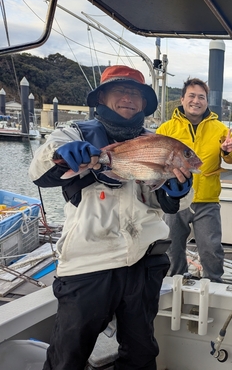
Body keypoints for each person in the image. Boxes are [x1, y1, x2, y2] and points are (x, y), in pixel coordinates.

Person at [29, 65, 193, 370]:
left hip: (144, 261)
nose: (129, 98)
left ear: (144, 104)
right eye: (121, 90)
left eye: (137, 94)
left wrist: (179, 190)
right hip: (89, 262)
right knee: (68, 357)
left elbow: (175, 205)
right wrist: (63, 152)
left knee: (141, 354)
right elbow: (40, 166)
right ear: (102, 97)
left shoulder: (155, 142)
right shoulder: (75, 132)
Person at [156, 77, 232, 283]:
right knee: (172, 248)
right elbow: (156, 158)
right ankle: (174, 288)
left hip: (207, 200)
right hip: (174, 200)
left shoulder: (220, 129)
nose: (196, 101)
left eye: (201, 97)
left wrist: (228, 151)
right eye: (191, 96)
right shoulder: (166, 129)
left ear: (207, 102)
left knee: (211, 250)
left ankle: (213, 288)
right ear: (182, 99)